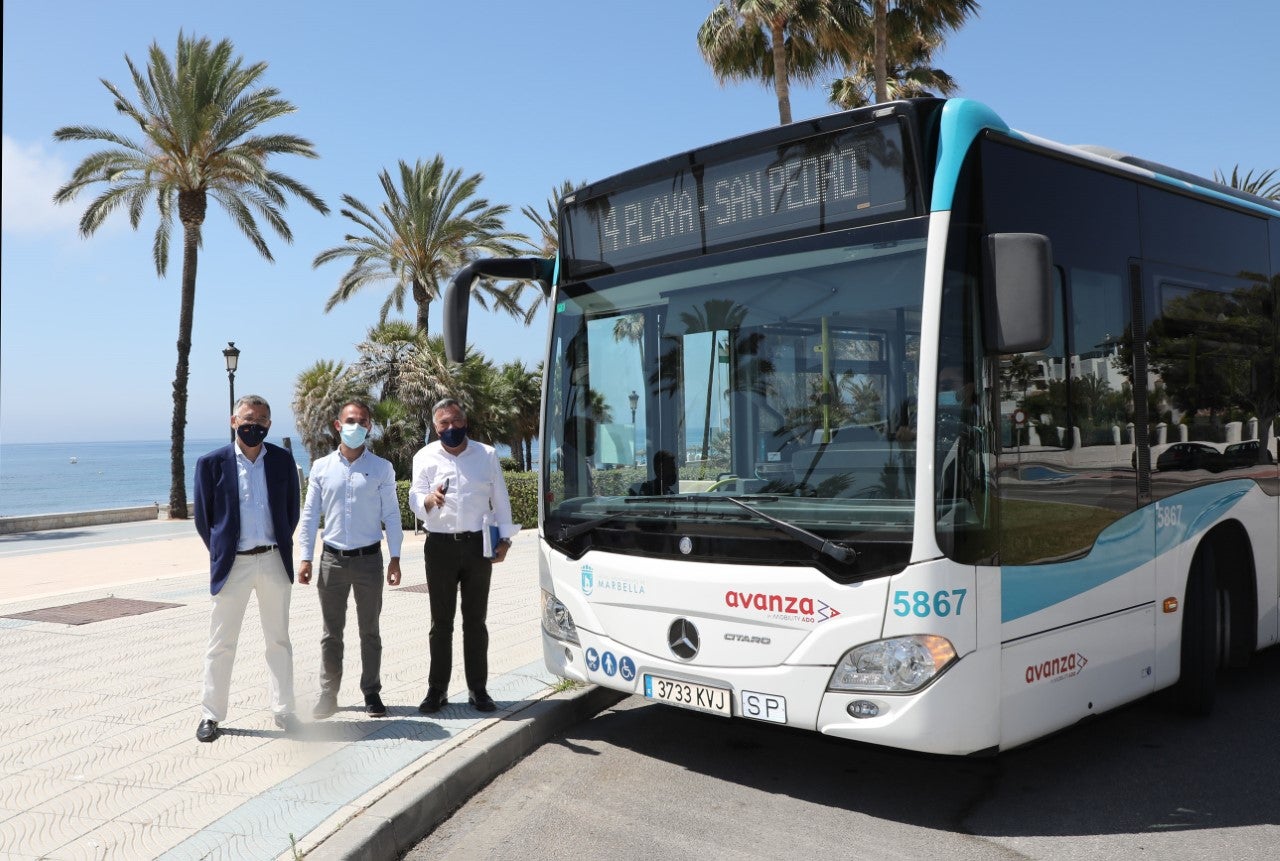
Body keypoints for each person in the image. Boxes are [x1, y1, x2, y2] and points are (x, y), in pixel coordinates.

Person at [193, 394, 301, 743]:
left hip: (273, 560)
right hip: (233, 565)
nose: (254, 425)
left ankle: (284, 710)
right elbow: (204, 519)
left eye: (261, 420)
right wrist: (223, 552)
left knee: (279, 641)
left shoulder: (283, 461)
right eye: (247, 418)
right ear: (233, 421)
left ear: (269, 424)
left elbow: (291, 511)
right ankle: (211, 714)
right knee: (221, 643)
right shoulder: (211, 463)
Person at [409, 398, 518, 714]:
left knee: (476, 621)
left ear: (465, 421)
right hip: (439, 547)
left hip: (477, 547)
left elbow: (501, 499)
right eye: (444, 423)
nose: (451, 428)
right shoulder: (424, 457)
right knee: (440, 623)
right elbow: (415, 496)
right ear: (435, 427)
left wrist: (506, 540)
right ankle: (437, 690)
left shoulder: (486, 455)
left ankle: (478, 690)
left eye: (456, 421)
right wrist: (428, 499)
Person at [297, 400, 403, 720]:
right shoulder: (321, 467)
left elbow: (392, 515)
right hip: (332, 560)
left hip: (370, 560)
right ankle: (328, 694)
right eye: (350, 420)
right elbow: (310, 514)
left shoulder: (382, 468)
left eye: (362, 421)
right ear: (337, 425)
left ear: (369, 427)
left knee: (369, 631)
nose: (356, 425)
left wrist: (395, 557)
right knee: (331, 632)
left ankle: (371, 692)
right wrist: (305, 558)